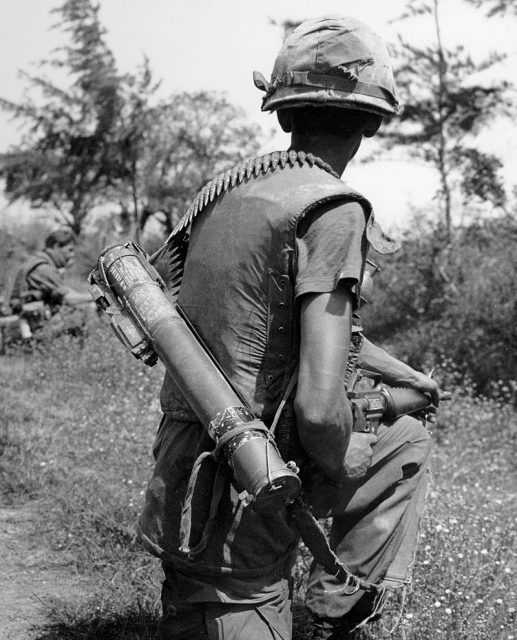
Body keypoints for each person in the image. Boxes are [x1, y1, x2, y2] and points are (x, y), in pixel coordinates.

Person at [137, 15, 445, 639]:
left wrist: (401, 377)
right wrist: (349, 450)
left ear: (281, 115)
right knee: (405, 443)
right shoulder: (333, 210)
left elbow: (266, 321)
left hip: (185, 468)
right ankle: (337, 602)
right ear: (372, 121)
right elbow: (319, 409)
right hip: (254, 480)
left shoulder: (228, 193)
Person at [9, 228, 93, 341]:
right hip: (29, 326)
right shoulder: (43, 269)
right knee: (81, 314)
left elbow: (65, 291)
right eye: (70, 250)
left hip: (30, 321)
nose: (72, 255)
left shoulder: (40, 263)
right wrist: (96, 296)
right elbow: (68, 298)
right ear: (57, 247)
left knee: (83, 307)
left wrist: (89, 297)